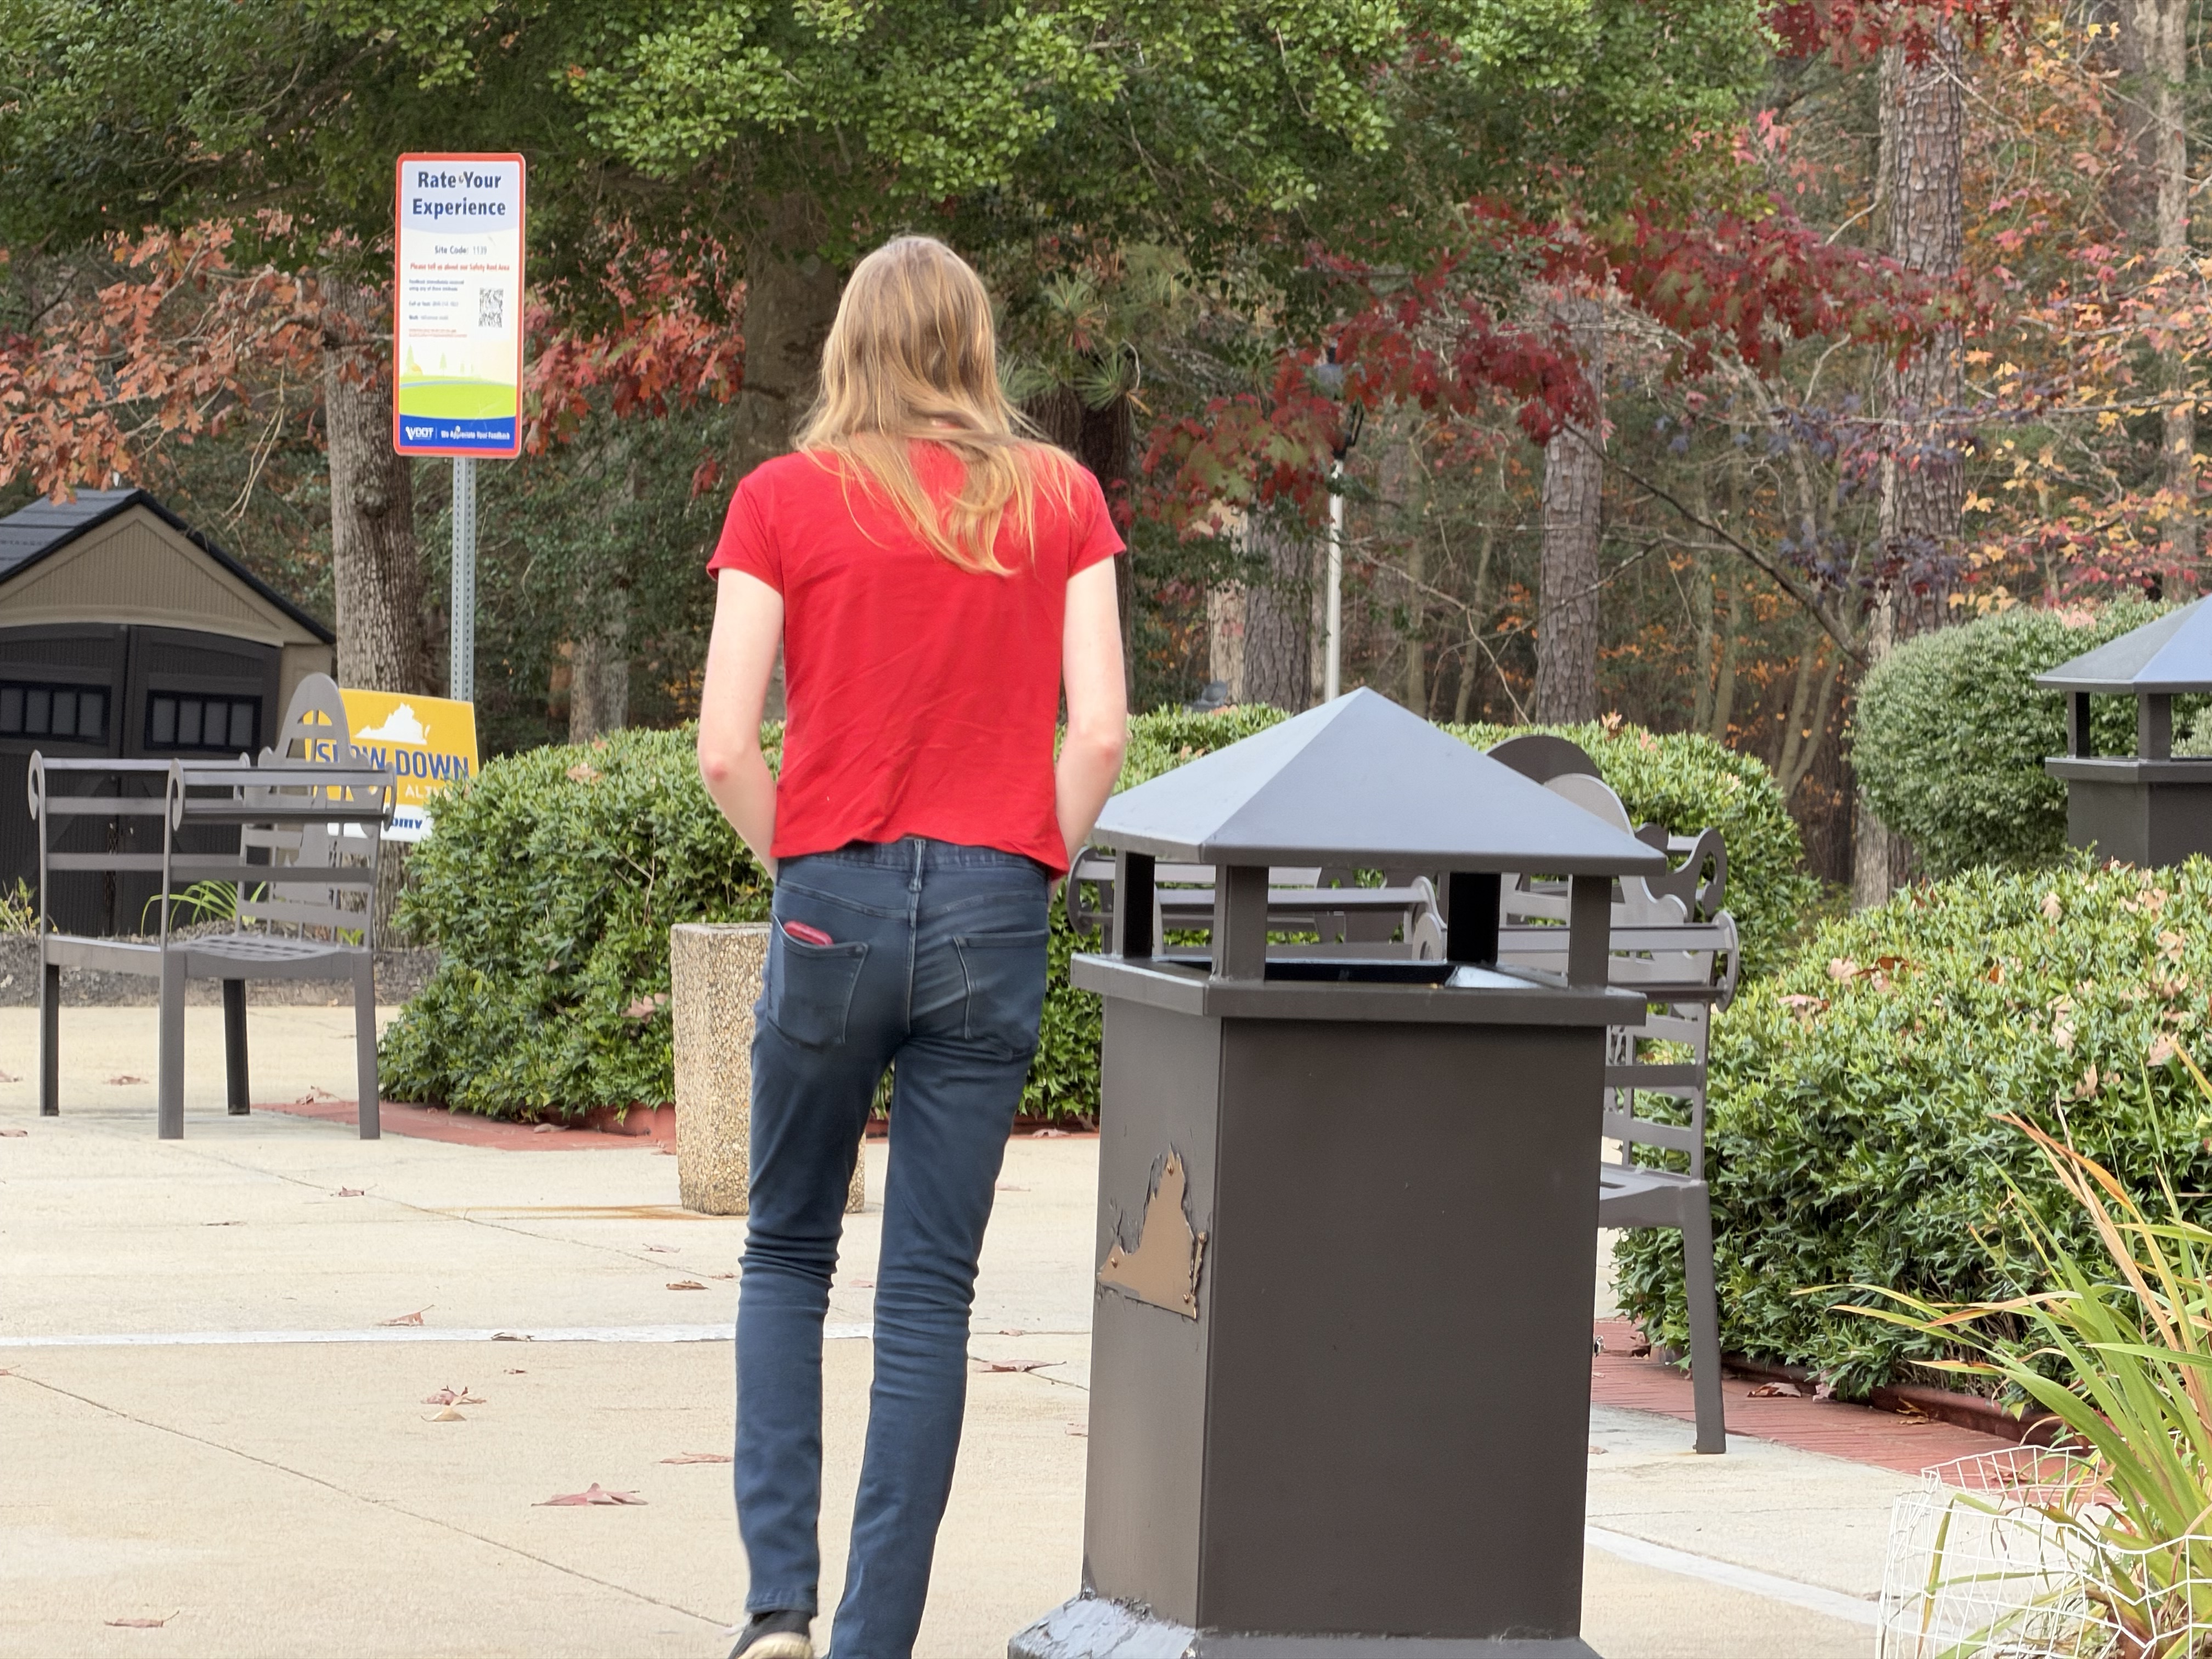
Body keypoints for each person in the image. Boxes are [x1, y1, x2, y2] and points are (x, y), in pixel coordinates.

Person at [694, 235, 1129, 1659]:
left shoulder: (782, 499)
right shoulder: (1061, 497)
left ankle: (776, 1609)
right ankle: (871, 1641)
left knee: (787, 1250)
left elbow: (723, 748)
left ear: (850, 345)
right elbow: (1102, 731)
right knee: (931, 1291)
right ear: (975, 345)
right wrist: (1029, 861)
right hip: (995, 907)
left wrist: (806, 867)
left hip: (835, 895)